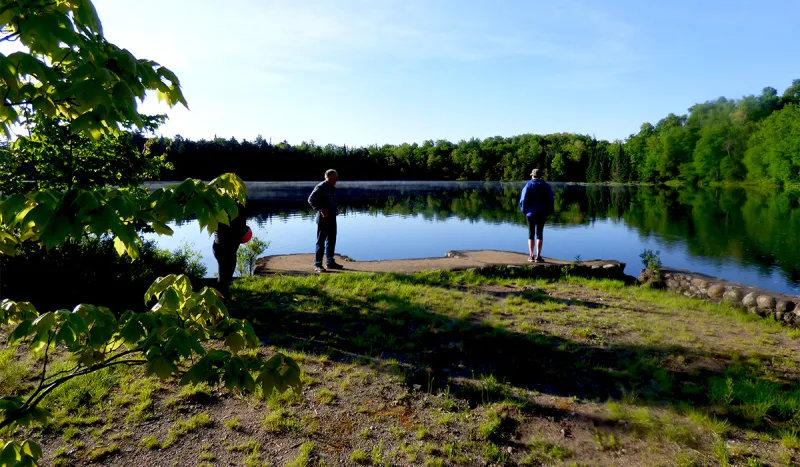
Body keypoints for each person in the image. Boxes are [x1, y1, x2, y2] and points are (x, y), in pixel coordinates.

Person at [308, 169, 343, 273]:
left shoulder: (331, 187)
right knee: (321, 241)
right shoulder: (321, 187)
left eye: (336, 178)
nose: (336, 180)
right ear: (328, 177)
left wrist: (335, 208)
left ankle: (330, 262)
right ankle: (318, 264)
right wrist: (321, 209)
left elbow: (331, 199)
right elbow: (311, 200)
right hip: (323, 218)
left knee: (331, 240)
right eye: (334, 178)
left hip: (332, 217)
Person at [213, 202, 252, 294]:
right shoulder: (238, 209)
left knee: (223, 276)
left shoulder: (218, 207)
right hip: (227, 249)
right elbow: (241, 229)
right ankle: (220, 299)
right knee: (225, 278)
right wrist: (247, 231)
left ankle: (221, 297)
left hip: (218, 247)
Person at [519, 168, 554, 263]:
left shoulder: (528, 185)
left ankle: (531, 256)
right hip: (542, 213)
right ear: (541, 176)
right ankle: (538, 256)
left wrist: (524, 210)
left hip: (530, 213)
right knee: (540, 233)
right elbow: (550, 200)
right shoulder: (546, 186)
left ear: (532, 175)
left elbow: (523, 199)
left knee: (531, 234)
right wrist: (548, 211)